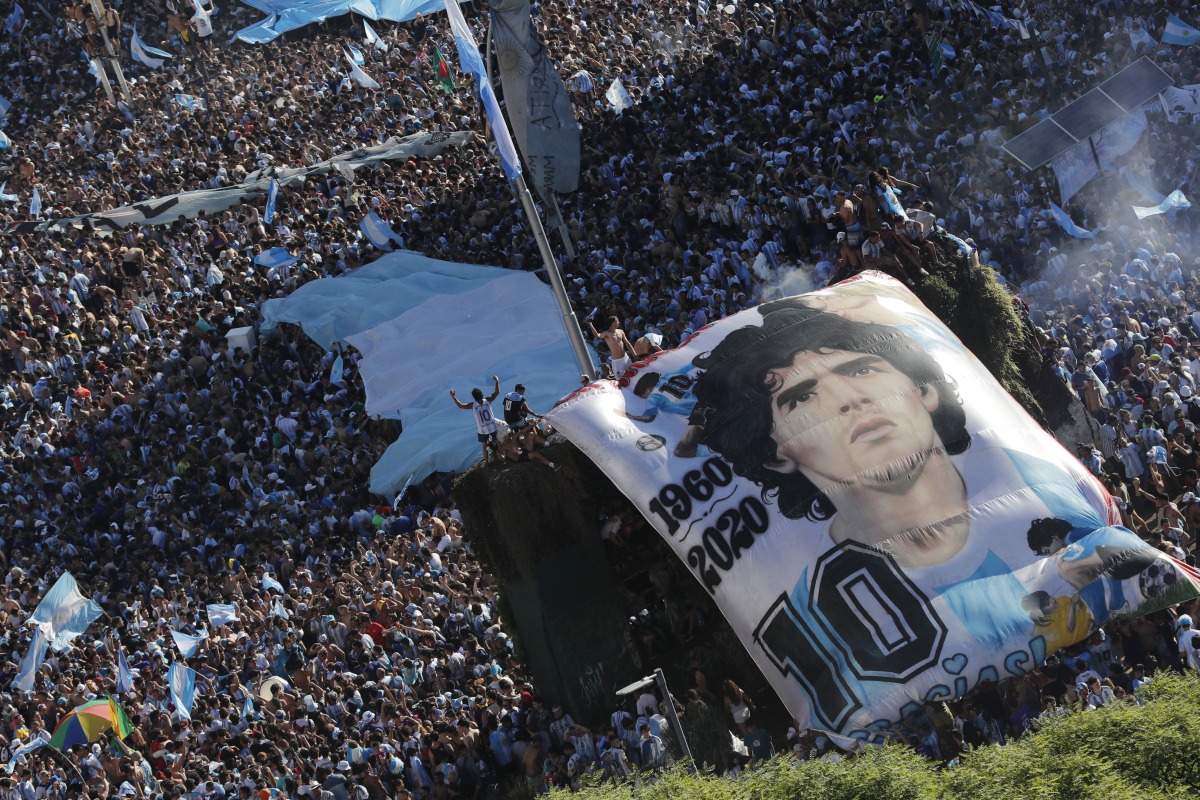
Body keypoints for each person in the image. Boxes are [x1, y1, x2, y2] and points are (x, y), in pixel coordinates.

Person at [692, 298, 972, 567]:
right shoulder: (803, 595)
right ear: (774, 456)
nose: (848, 399)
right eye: (801, 398)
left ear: (924, 389)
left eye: (861, 370)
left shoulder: (1015, 457)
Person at [450, 376, 502, 465]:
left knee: (484, 445)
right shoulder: (488, 400)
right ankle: (502, 456)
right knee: (497, 441)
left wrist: (453, 397)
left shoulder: (473, 405)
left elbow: (460, 405)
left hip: (482, 429)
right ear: (481, 394)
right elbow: (497, 392)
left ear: (473, 397)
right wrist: (497, 381)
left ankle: (486, 462)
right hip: (492, 426)